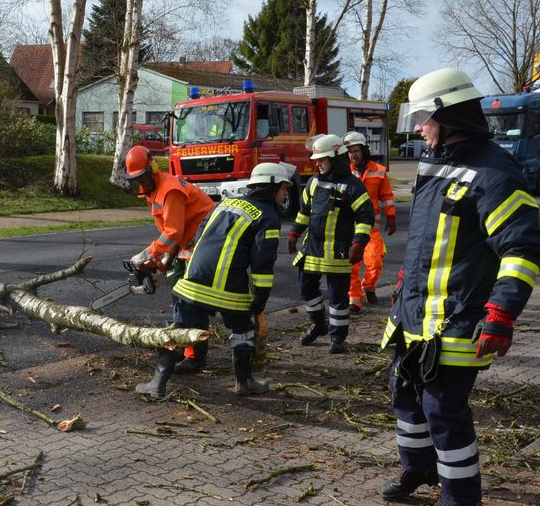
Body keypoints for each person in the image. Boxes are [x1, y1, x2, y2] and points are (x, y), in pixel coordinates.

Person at [381, 68, 540, 506]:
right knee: (405, 397)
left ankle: (462, 502)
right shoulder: (437, 162)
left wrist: (500, 315)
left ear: (447, 115)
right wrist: (403, 283)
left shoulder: (495, 174)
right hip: (414, 316)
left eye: (422, 118)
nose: (416, 128)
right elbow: (430, 241)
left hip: (457, 321)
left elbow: (523, 250)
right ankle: (419, 469)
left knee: (444, 411)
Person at [136, 162, 292, 398]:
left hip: (193, 280)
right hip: (230, 288)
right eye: (283, 189)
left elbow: (199, 233)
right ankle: (245, 382)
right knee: (243, 330)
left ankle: (157, 384)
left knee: (178, 329)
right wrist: (260, 297)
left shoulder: (225, 204)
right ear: (270, 188)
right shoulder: (268, 217)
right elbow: (262, 264)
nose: (286, 194)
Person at [121, 145, 216, 374]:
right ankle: (186, 347)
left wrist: (146, 257)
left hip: (205, 237)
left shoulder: (169, 189)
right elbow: (172, 234)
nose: (141, 183)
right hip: (189, 241)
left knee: (188, 296)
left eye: (143, 177)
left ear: (152, 168)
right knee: (179, 293)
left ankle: (194, 356)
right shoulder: (153, 192)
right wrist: (158, 263)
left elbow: (173, 232)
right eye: (137, 179)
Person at [287, 135, 375, 354]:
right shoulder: (314, 182)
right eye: (316, 159)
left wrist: (358, 244)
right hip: (312, 249)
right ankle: (319, 325)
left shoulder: (353, 186)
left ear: (335, 158)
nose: (317, 164)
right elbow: (305, 211)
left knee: (338, 297)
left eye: (322, 159)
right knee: (305, 289)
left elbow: (365, 217)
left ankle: (338, 338)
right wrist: (294, 233)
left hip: (338, 252)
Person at [344, 131, 397, 313]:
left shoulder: (379, 171)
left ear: (364, 150)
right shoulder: (345, 172)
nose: (353, 155)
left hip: (371, 229)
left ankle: (369, 287)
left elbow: (387, 197)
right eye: (350, 152)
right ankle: (355, 299)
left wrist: (391, 217)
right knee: (351, 265)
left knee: (375, 262)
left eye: (356, 150)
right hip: (350, 228)